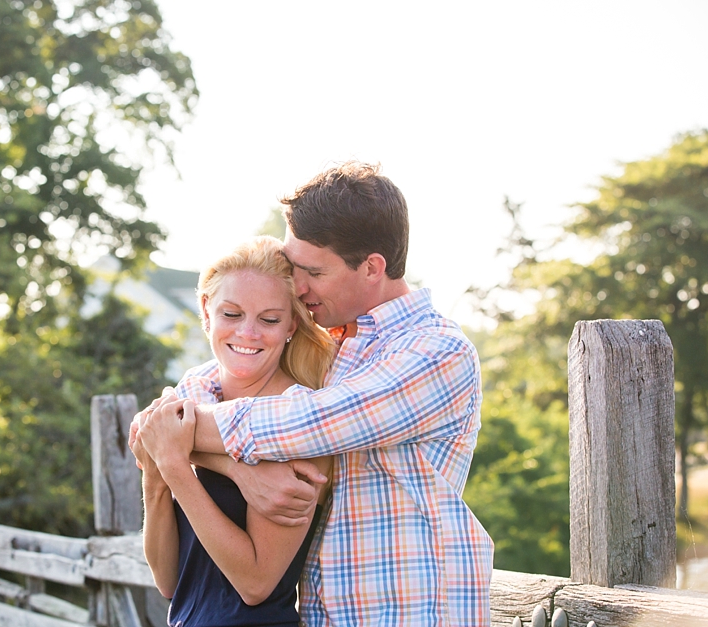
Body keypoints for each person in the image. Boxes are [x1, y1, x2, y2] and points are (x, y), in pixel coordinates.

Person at [142, 162, 494, 626]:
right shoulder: (329, 350)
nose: (298, 285)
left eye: (311, 270)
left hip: (411, 613)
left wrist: (172, 437)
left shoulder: (435, 353)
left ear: (371, 268)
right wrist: (238, 471)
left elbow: (299, 425)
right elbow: (169, 415)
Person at [131, 236, 336, 626]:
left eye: (269, 319)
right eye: (232, 314)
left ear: (292, 323)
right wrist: (157, 481)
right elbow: (169, 581)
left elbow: (256, 584)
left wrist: (173, 463)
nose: (248, 333)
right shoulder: (194, 401)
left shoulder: (295, 423)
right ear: (206, 311)